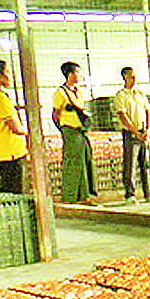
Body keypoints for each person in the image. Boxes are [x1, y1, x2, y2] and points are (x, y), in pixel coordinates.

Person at [52, 62, 97, 204]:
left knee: (84, 161)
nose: (80, 75)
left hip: (80, 131)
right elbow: (56, 114)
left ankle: (85, 194)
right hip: (70, 130)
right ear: (70, 74)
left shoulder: (78, 92)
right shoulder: (60, 93)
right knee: (73, 164)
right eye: (77, 72)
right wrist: (63, 128)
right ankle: (72, 196)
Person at [113, 66, 150, 205]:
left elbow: (147, 111)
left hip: (143, 132)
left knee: (146, 163)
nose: (134, 79)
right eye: (131, 76)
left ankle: (148, 192)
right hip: (131, 134)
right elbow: (122, 115)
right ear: (125, 77)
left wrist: (147, 129)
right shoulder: (121, 95)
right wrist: (135, 132)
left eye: (135, 76)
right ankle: (129, 194)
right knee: (130, 164)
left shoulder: (141, 94)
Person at [0, 59, 27, 195]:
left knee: (10, 189)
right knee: (14, 192)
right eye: (7, 72)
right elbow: (15, 128)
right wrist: (31, 132)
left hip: (7, 151)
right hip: (10, 153)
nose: (10, 76)